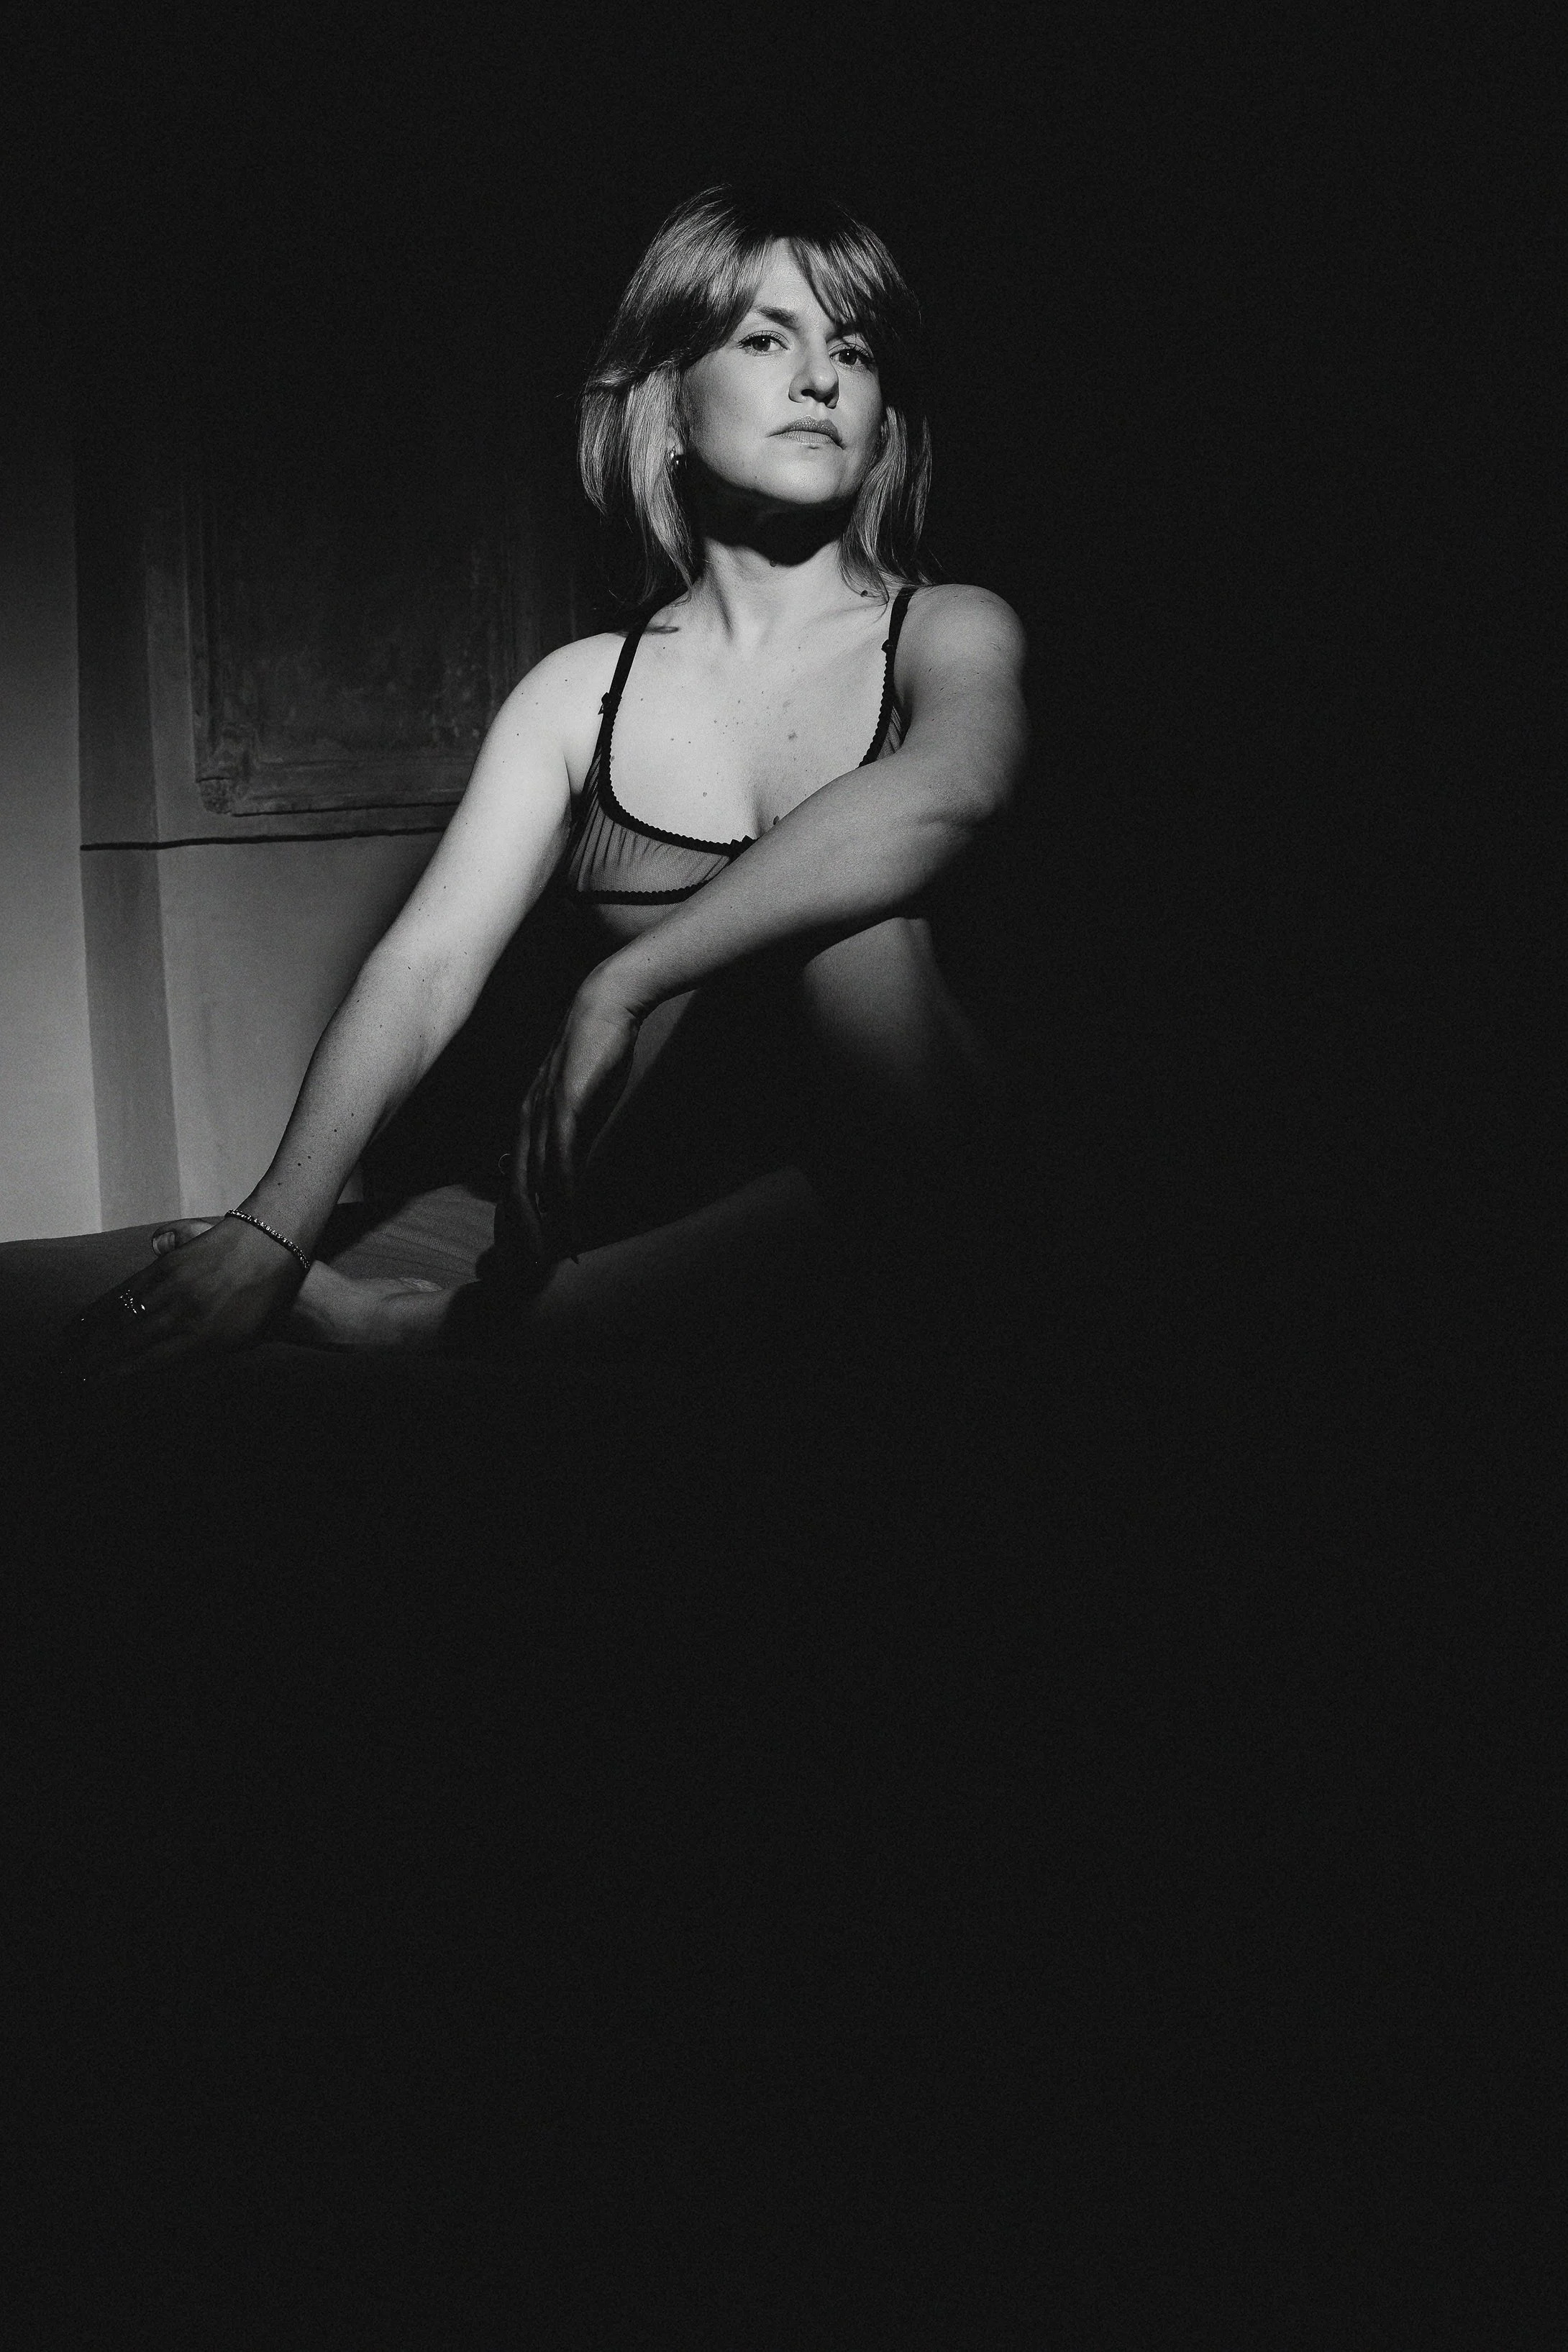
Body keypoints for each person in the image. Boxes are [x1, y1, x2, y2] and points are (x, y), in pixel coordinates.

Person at [70, 185, 1029, 1386]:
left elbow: (954, 791)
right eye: (766, 338)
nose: (821, 381)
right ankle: (532, 1339)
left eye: (854, 350)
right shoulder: (584, 693)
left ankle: (436, 1338)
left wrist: (625, 979)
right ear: (669, 405)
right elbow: (425, 969)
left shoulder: (949, 629)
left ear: (886, 424)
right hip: (676, 1206)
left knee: (860, 923)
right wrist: (273, 1225)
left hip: (922, 1194)